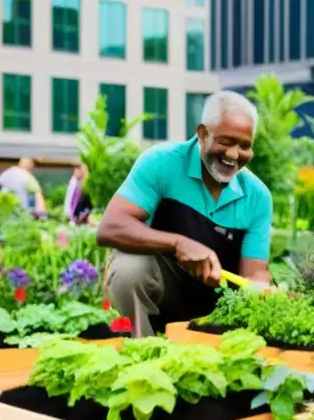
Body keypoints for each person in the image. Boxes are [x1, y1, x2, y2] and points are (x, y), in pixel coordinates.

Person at [97, 90, 273, 336]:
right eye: (225, 141)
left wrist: (264, 289)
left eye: (244, 146)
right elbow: (111, 226)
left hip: (218, 304)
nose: (234, 155)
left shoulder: (257, 196)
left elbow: (253, 272)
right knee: (128, 269)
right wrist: (178, 243)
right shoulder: (162, 163)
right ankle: (144, 351)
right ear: (202, 134)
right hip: (163, 291)